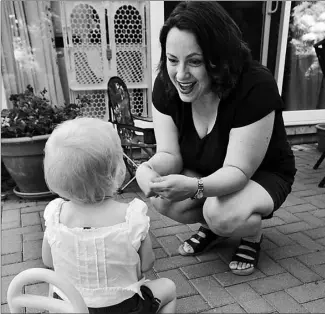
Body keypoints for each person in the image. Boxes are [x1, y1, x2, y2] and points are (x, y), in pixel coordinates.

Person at [136, 1, 296, 276]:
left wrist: (195, 187)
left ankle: (249, 234)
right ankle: (215, 226)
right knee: (163, 200)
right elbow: (170, 155)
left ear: (220, 58)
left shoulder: (255, 86)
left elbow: (237, 171)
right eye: (173, 60)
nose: (181, 75)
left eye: (195, 61)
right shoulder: (166, 84)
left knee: (222, 213)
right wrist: (147, 169)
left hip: (260, 173)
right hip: (209, 169)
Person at [42, 117, 176, 313]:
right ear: (115, 171)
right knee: (168, 287)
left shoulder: (55, 214)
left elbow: (48, 261)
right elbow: (147, 264)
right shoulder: (131, 217)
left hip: (67, 307)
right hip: (123, 308)